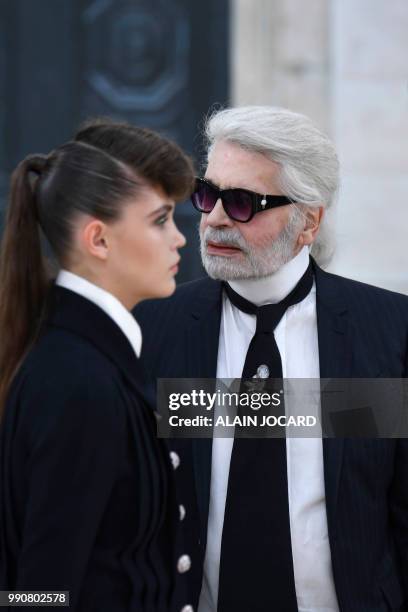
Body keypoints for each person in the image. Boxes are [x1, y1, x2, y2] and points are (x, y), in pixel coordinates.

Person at [135, 107, 408, 612]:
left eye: (242, 202)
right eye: (207, 194)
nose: (213, 217)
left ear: (308, 221)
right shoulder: (153, 329)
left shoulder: (388, 331)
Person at [0, 119, 197, 612]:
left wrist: (367, 409)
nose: (180, 239)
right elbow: (41, 593)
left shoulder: (97, 359)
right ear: (99, 239)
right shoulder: (79, 381)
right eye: (159, 220)